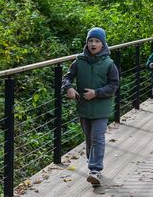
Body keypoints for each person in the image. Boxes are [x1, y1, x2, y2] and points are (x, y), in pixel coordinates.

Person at [62, 27, 119, 187]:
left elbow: (114, 85)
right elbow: (67, 78)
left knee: (97, 138)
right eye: (90, 41)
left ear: (103, 44)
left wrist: (97, 92)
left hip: (101, 108)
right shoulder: (79, 61)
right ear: (87, 43)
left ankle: (95, 170)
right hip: (84, 107)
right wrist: (68, 88)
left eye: (97, 41)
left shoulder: (109, 64)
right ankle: (92, 164)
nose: (93, 44)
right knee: (89, 139)